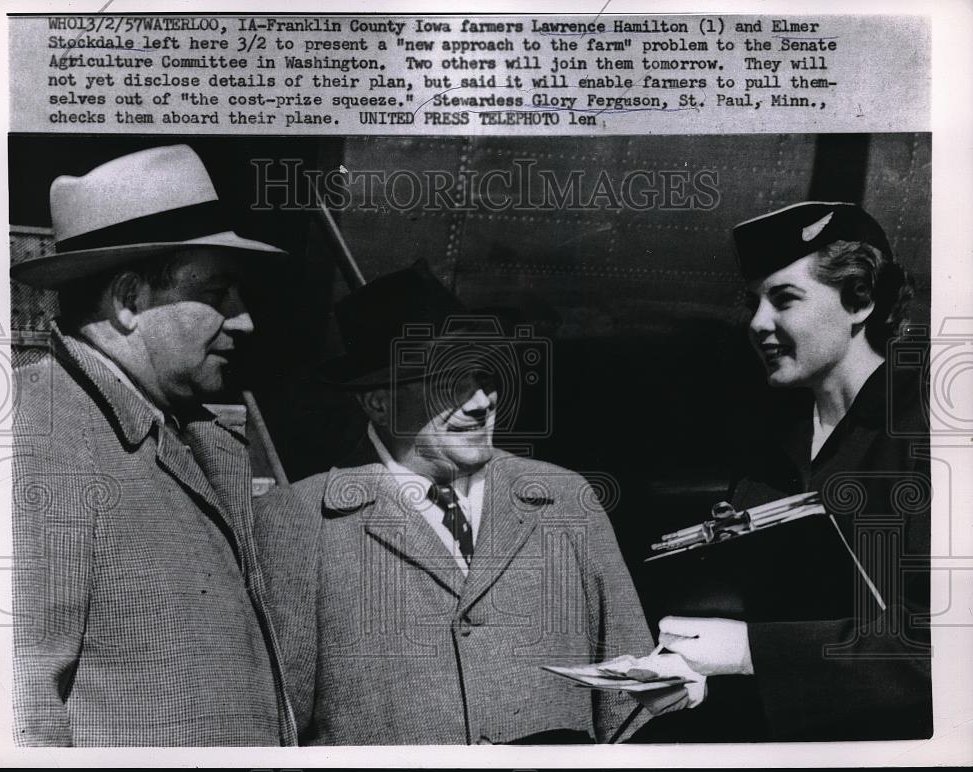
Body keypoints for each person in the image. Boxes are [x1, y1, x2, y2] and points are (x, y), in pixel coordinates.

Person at [254, 261, 703, 745]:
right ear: (377, 403)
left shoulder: (566, 500)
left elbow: (634, 709)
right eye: (449, 382)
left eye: (483, 375)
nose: (481, 402)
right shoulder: (299, 520)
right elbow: (275, 725)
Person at [10, 145, 297, 746]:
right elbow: (19, 708)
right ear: (128, 302)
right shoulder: (43, 437)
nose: (244, 321)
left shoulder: (181, 428)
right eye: (219, 293)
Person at [652, 202, 932, 741]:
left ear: (861, 300)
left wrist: (749, 652)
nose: (756, 324)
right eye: (752, 303)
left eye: (783, 298)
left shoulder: (929, 439)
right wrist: (692, 671)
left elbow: (946, 643)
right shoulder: (768, 447)